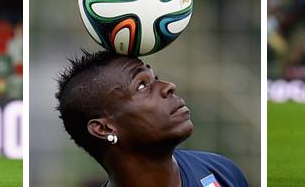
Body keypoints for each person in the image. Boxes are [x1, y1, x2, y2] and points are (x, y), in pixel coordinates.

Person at [56, 50, 249, 187]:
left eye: (155, 77)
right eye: (141, 85)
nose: (168, 86)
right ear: (104, 129)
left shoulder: (220, 172)